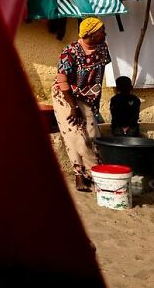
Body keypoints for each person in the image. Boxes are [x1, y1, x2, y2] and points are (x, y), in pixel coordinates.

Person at [52, 17, 111, 192]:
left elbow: (97, 74)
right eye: (102, 31)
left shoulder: (103, 49)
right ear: (91, 35)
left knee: (92, 134)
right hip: (65, 96)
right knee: (75, 134)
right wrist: (73, 107)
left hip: (87, 97)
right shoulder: (69, 52)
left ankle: (95, 174)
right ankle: (81, 175)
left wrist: (92, 101)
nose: (105, 34)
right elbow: (62, 81)